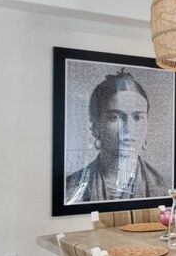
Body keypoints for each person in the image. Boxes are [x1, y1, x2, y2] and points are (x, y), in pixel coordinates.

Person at [65, 69, 168, 204]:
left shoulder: (164, 189)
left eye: (137, 117)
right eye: (114, 117)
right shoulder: (71, 188)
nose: (128, 129)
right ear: (96, 126)